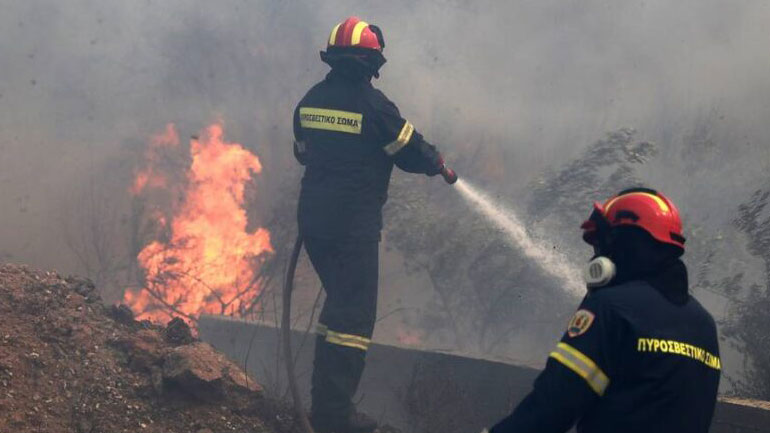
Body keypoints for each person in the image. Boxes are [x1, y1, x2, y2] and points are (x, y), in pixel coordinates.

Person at [292, 16, 456, 433]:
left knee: (339, 311)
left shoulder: (309, 100)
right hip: (352, 229)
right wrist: (438, 164)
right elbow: (410, 151)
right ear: (371, 62)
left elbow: (302, 151)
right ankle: (332, 421)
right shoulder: (374, 106)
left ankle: (329, 413)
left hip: (314, 225)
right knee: (353, 322)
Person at [486, 188, 721, 433]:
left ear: (622, 243)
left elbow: (554, 405)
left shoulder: (612, 308)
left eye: (600, 246)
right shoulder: (703, 324)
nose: (595, 258)